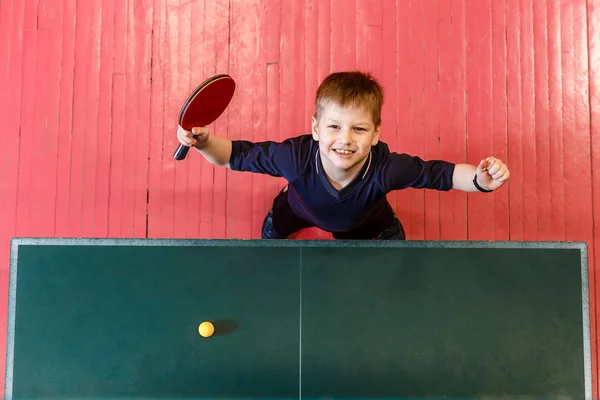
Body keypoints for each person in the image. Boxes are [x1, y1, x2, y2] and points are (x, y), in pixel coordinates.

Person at [176, 71, 510, 240]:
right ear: (316, 129)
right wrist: (204, 142)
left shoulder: (387, 169)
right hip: (298, 209)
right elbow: (233, 155)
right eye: (334, 127)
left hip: (365, 223)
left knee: (391, 257)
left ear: (376, 134)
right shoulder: (294, 158)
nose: (345, 140)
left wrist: (481, 179)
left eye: (359, 130)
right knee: (273, 237)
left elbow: (443, 174)